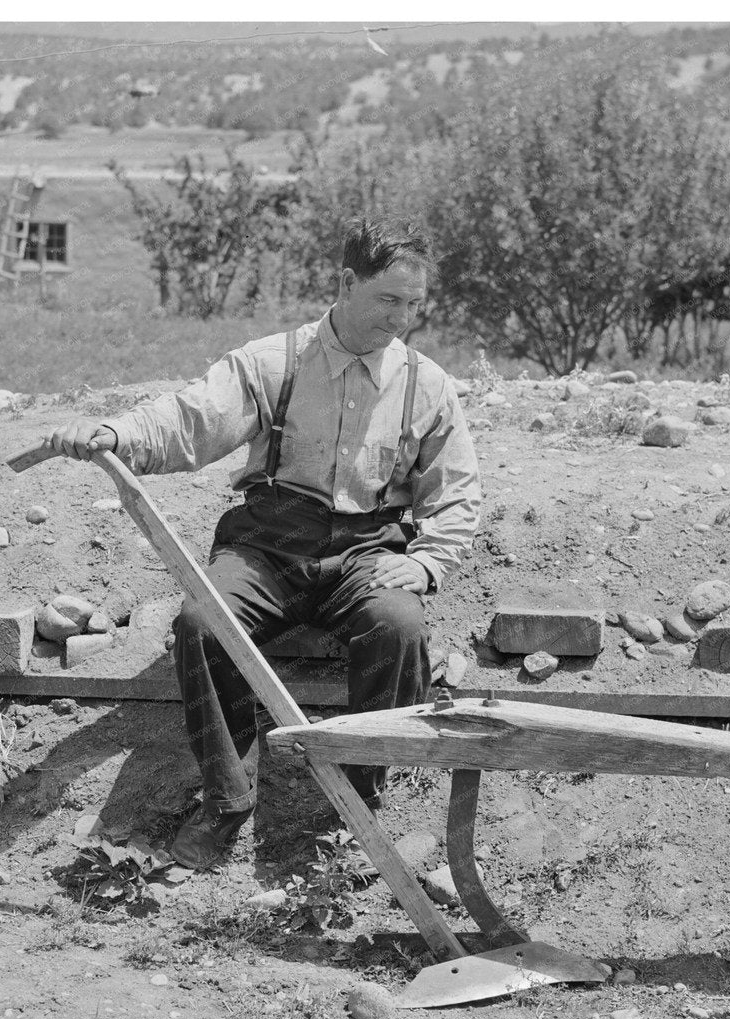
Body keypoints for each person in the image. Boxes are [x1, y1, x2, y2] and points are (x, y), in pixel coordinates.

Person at [46, 215, 482, 869]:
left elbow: (457, 494)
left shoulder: (427, 385)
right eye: (388, 299)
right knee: (203, 619)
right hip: (270, 543)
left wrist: (426, 563)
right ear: (345, 283)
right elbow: (192, 419)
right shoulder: (273, 363)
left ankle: (355, 813)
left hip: (367, 548)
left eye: (413, 305)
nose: (401, 318)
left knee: (398, 626)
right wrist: (117, 434)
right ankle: (228, 800)